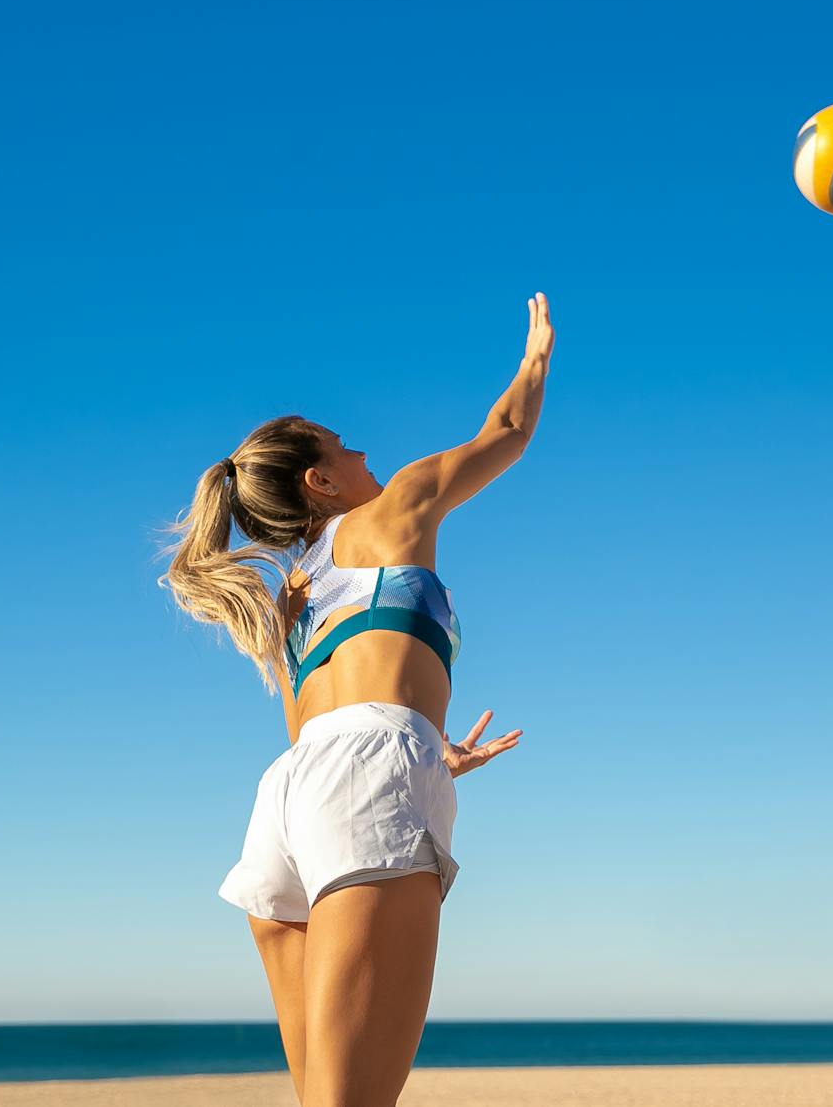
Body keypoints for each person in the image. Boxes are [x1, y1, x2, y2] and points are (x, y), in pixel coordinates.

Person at [158, 292, 553, 1107]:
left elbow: (321, 723)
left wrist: (426, 738)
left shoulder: (293, 596)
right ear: (322, 482)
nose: (364, 450)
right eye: (344, 446)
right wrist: (535, 361)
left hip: (291, 797)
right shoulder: (391, 510)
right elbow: (507, 434)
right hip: (370, 777)